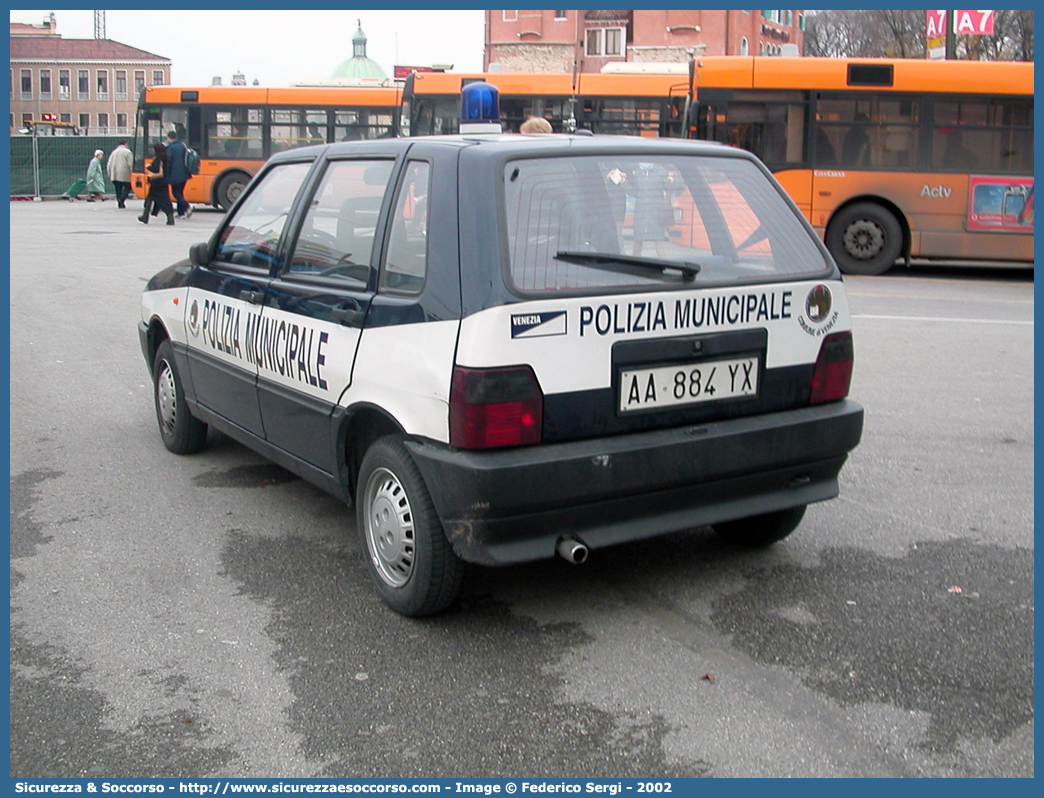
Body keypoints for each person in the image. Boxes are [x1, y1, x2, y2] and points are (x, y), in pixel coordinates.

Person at [138, 140, 175, 225]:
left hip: (157, 183)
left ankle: (145, 216)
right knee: (160, 199)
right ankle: (169, 218)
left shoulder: (159, 158)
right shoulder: (165, 157)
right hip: (163, 182)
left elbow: (156, 170)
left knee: (153, 199)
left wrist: (149, 167)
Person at [165, 130, 193, 218]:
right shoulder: (183, 145)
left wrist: (166, 173)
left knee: (175, 193)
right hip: (184, 173)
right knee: (180, 192)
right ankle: (181, 212)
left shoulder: (171, 148)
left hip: (175, 174)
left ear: (169, 138)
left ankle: (187, 206)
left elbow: (168, 162)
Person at [106, 140, 134, 209]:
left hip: (114, 174)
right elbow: (131, 164)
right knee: (128, 187)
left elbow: (109, 164)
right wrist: (132, 172)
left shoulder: (114, 152)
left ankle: (120, 202)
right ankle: (122, 199)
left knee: (118, 189)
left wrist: (109, 173)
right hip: (124, 173)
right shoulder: (127, 152)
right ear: (125, 144)